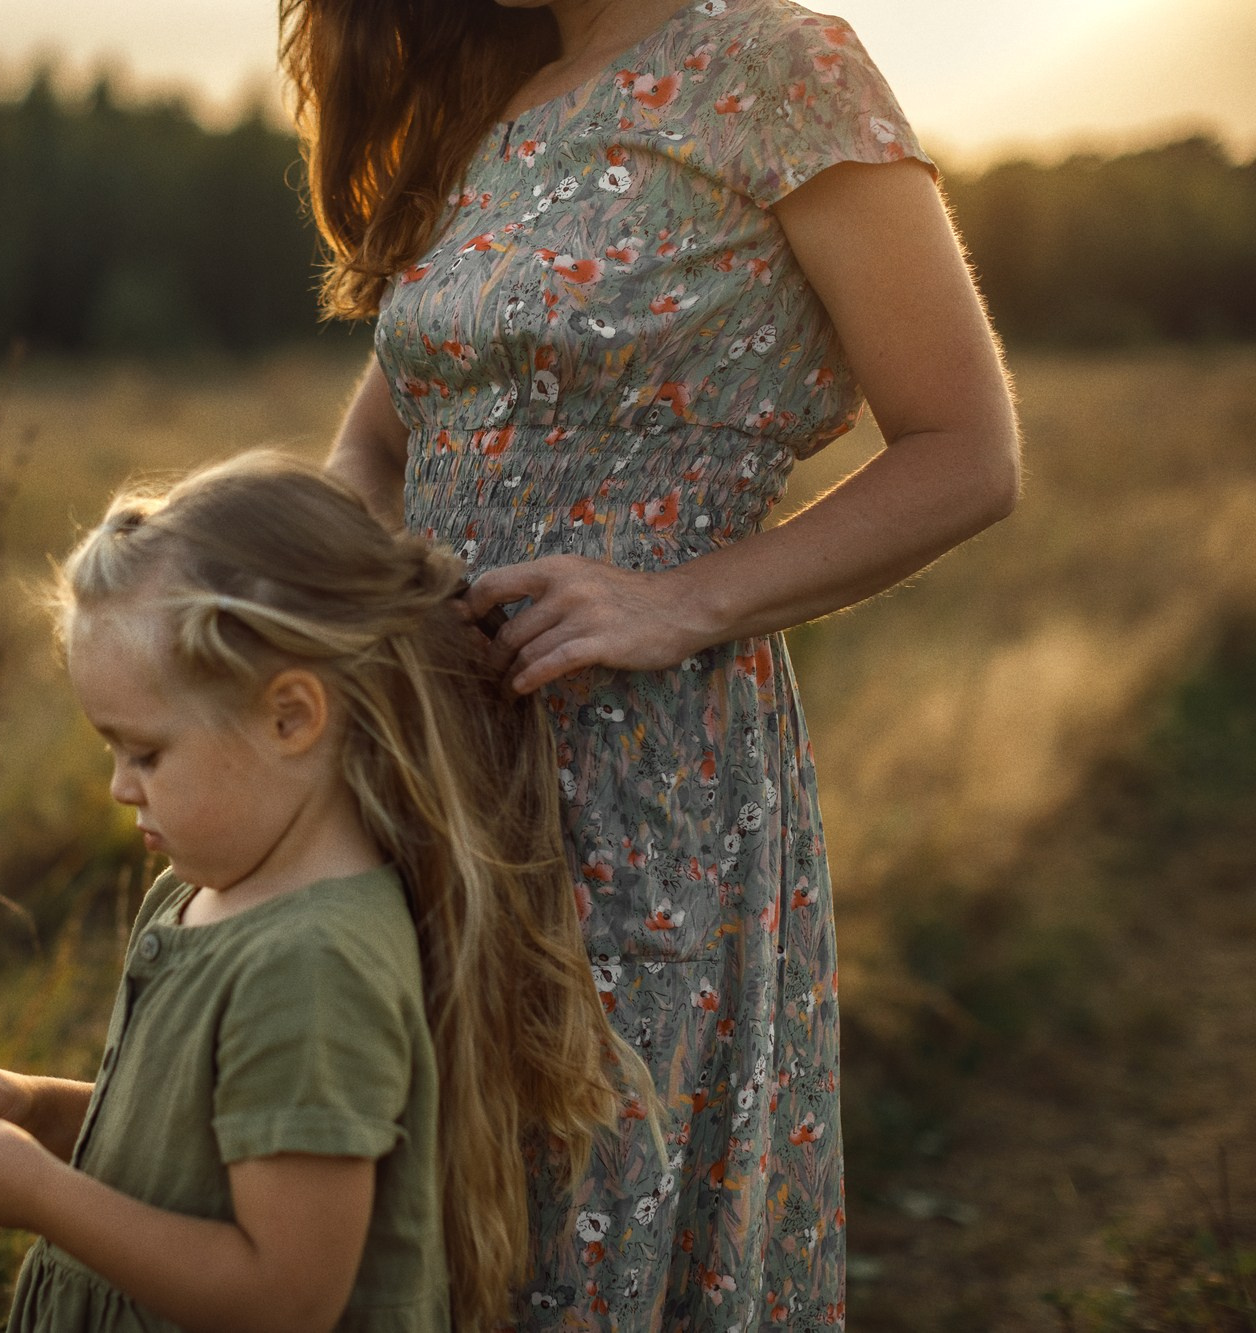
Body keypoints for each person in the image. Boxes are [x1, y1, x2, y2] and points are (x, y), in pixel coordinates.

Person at [285, 0, 1022, 1325]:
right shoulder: (497, 99)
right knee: (413, 1206)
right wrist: (297, 600)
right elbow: (374, 452)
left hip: (642, 791)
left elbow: (965, 450)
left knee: (581, 1221)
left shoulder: (778, 66)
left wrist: (678, 602)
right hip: (428, 768)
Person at [0, 452, 654, 1332]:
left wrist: (42, 1197)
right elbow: (198, 1150)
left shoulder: (315, 969)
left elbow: (284, 1295)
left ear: (291, 716)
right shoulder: (193, 895)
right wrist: (42, 1110)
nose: (118, 785)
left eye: (145, 752)